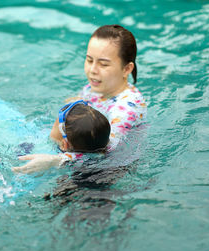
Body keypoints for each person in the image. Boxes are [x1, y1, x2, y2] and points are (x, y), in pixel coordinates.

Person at [15, 24, 147, 173]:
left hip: (109, 170)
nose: (92, 70)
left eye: (103, 64)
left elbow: (106, 151)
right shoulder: (98, 86)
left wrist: (56, 161)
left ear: (127, 69)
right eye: (89, 60)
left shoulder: (127, 109)